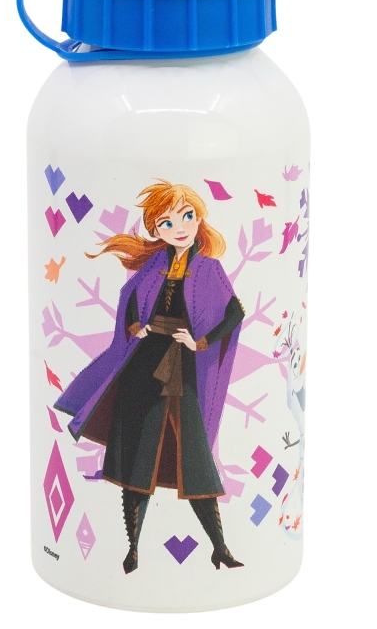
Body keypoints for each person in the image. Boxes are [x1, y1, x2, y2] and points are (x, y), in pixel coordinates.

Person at [54, 180, 245, 573]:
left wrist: (201, 342)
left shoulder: (209, 269)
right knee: (136, 459)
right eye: (166, 222)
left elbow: (235, 312)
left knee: (195, 459)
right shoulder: (153, 265)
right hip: (143, 366)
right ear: (156, 228)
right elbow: (129, 301)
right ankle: (133, 550)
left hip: (183, 369)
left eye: (187, 216)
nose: (179, 227)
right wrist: (135, 327)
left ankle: (220, 547)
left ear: (199, 218)